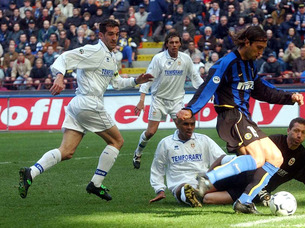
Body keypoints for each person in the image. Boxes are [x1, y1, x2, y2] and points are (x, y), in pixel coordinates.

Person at [18, 19, 153, 201]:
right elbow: (64, 58)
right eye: (110, 34)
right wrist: (59, 76)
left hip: (78, 105)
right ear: (101, 35)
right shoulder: (94, 51)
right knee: (117, 141)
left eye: (116, 34)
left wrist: (136, 81)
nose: (115, 38)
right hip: (89, 103)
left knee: (66, 151)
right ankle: (96, 184)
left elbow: (117, 83)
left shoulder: (111, 58)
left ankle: (30, 173)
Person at [176, 26, 304, 214]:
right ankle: (209, 178)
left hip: (245, 118)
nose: (260, 53)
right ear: (246, 43)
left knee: (276, 158)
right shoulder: (227, 62)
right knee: (257, 158)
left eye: (263, 48)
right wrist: (190, 109)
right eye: (258, 47)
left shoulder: (250, 65)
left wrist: (289, 97)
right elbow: (209, 86)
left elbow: (263, 90)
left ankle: (244, 201)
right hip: (231, 115)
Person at [201, 118, 305, 207]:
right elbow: (252, 158)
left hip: (250, 192)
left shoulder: (302, 157)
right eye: (296, 130)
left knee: (207, 199)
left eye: (303, 132)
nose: (299, 135)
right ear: (288, 130)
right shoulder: (273, 141)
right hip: (240, 177)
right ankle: (185, 192)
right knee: (202, 190)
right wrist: (263, 192)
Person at [132, 31, 204, 169]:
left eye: (177, 42)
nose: (174, 45)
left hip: (177, 101)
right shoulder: (158, 59)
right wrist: (141, 100)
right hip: (159, 100)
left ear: (180, 44)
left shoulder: (185, 59)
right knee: (150, 132)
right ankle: (138, 152)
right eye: (171, 42)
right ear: (166, 44)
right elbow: (147, 80)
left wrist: (205, 91)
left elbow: (195, 77)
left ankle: (187, 157)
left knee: (185, 129)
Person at [149, 116, 226, 207]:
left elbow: (221, 158)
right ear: (177, 124)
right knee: (184, 187)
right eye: (186, 124)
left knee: (224, 189)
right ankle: (188, 195)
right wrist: (159, 189)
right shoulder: (166, 143)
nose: (189, 127)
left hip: (203, 181)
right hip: (179, 183)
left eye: (192, 124)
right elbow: (157, 167)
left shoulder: (204, 140)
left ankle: (195, 196)